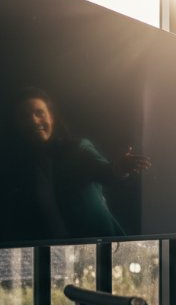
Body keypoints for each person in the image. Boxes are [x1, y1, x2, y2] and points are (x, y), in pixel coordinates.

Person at [8, 87, 149, 239]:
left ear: (52, 117)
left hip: (99, 250)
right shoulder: (21, 170)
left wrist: (121, 168)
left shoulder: (76, 150)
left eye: (39, 113)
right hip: (59, 255)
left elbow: (106, 172)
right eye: (24, 116)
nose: (34, 120)